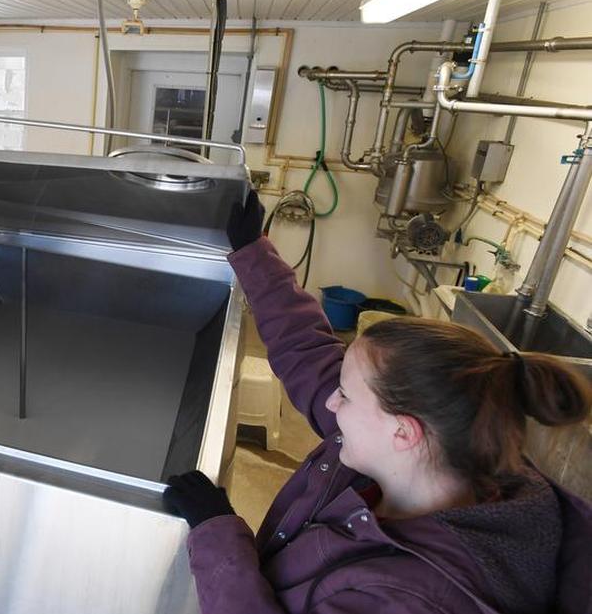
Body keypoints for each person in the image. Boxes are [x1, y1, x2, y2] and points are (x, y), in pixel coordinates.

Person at [164, 190, 592, 614]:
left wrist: (218, 537)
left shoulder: (415, 597)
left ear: (404, 431)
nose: (331, 402)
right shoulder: (419, 457)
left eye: (346, 396)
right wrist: (255, 253)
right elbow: (310, 356)